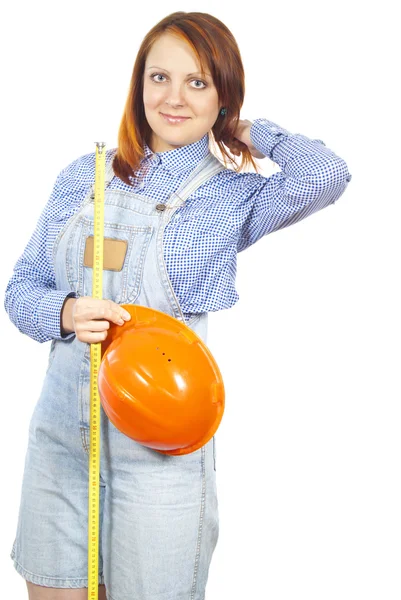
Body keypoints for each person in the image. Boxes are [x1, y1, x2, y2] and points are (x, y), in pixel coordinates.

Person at [4, 10, 352, 600]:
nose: (173, 98)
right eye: (159, 77)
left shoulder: (232, 194)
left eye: (198, 82)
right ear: (139, 85)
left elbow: (327, 174)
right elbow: (20, 289)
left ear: (223, 96)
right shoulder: (81, 178)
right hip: (63, 446)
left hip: (159, 457)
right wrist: (62, 312)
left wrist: (247, 130)